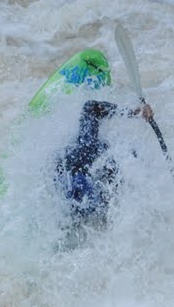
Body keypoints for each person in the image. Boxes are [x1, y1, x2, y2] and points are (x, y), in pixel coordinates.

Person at [55, 96, 157, 227]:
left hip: (68, 191)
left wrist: (134, 112)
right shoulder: (102, 151)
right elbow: (92, 107)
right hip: (78, 186)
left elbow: (91, 107)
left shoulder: (86, 144)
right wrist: (134, 113)